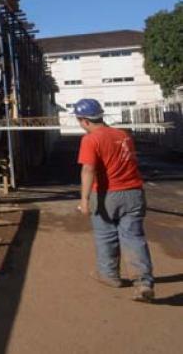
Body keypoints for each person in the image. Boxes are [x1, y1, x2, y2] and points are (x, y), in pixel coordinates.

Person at [73, 98, 154, 302]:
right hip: (134, 192)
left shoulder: (90, 139)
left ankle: (110, 276)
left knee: (106, 236)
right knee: (134, 237)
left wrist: (84, 200)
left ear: (84, 120)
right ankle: (143, 282)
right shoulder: (123, 135)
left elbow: (88, 169)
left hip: (106, 195)